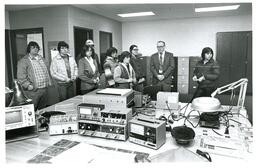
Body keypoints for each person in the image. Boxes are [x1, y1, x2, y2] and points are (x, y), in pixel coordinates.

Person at [17, 41, 52, 110]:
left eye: (37, 47)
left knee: (42, 108)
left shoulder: (42, 59)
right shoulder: (24, 61)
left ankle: (40, 120)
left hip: (44, 89)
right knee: (31, 109)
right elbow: (21, 76)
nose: (35, 49)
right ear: (29, 49)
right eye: (33, 47)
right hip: (33, 91)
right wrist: (28, 85)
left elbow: (47, 71)